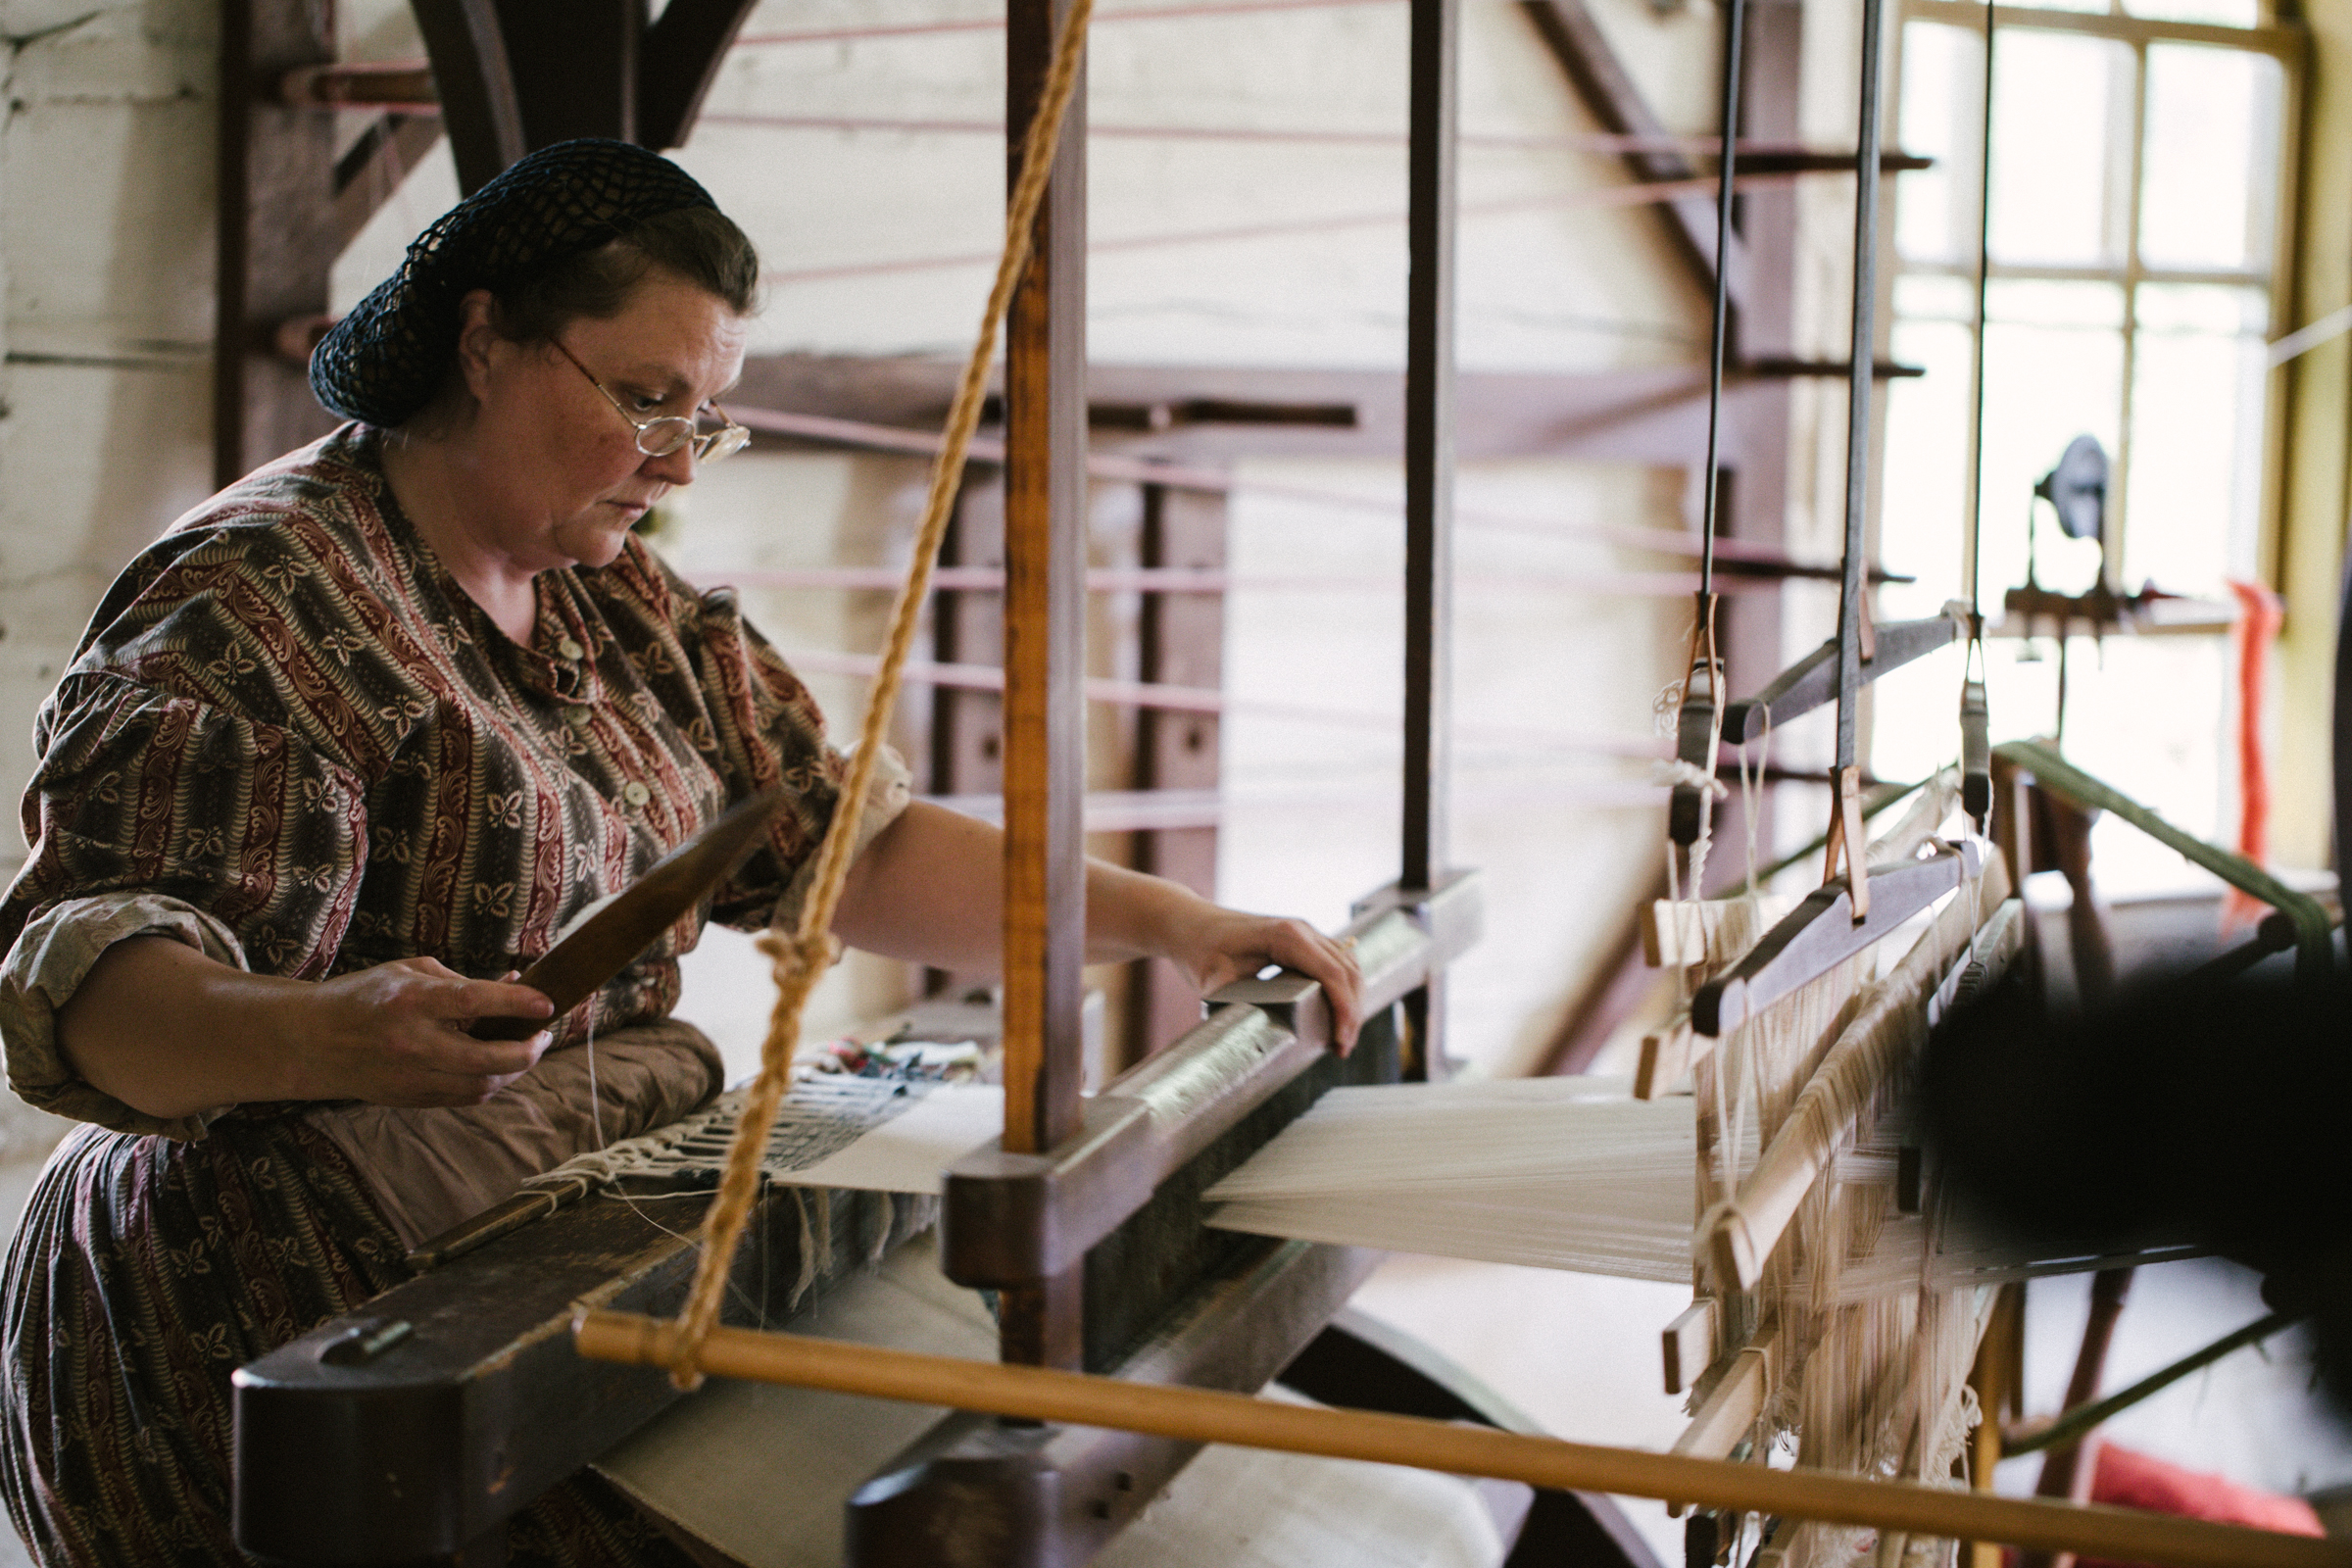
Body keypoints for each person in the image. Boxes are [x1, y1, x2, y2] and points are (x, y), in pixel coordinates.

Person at [0, 139, 1360, 1568]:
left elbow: (844, 847)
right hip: (287, 1336)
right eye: (646, 399)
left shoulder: (619, 600)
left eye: (706, 419)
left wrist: (1177, 926)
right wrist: (331, 1029)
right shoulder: (258, 601)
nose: (673, 458)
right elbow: (98, 986)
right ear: (485, 341)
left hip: (561, 1246)